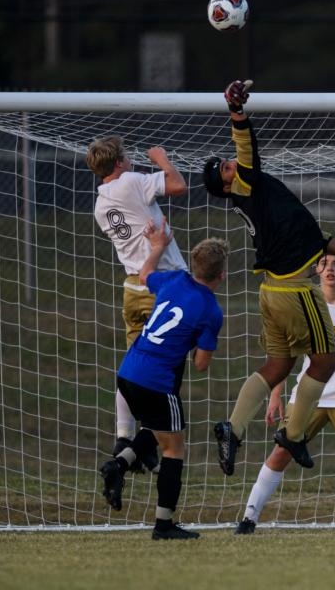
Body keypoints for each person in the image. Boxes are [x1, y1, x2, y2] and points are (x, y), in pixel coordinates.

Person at [203, 79, 335, 475]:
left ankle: (232, 429)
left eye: (227, 161)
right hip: (294, 290)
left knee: (277, 366)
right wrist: (237, 110)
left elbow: (313, 238)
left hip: (271, 291)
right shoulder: (247, 182)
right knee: (324, 363)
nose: (231, 163)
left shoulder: (257, 196)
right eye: (225, 167)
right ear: (226, 182)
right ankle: (294, 433)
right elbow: (247, 145)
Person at [234, 252, 335, 535]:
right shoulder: (304, 303)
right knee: (281, 452)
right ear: (315, 269)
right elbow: (283, 352)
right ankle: (249, 517)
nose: (329, 269)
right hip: (310, 394)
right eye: (323, 264)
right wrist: (276, 393)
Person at [98, 219, 228, 540]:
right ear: (222, 275)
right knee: (174, 449)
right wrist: (201, 339)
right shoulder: (211, 310)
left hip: (128, 372)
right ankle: (163, 524)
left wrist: (157, 247)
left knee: (156, 432)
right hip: (157, 382)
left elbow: (144, 275)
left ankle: (119, 465)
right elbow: (200, 364)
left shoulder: (172, 280)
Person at [86, 137, 188, 474]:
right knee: (167, 373)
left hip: (132, 286)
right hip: (161, 285)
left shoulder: (100, 205)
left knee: (135, 365)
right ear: (118, 163)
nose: (130, 161)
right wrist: (162, 159)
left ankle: (124, 438)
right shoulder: (129, 182)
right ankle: (151, 441)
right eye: (126, 157)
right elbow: (177, 185)